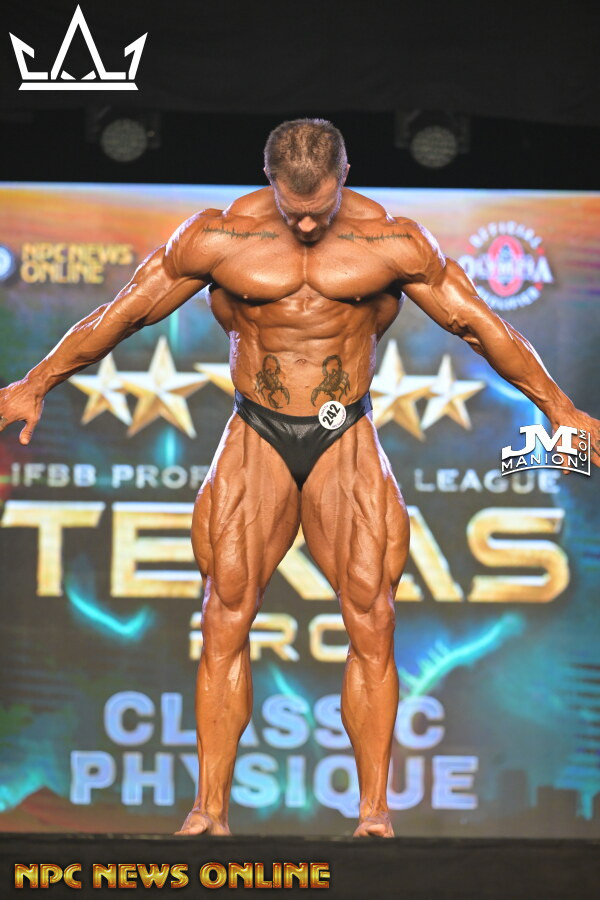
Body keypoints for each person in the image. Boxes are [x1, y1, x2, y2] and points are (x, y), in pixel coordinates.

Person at [0, 119, 598, 838]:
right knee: (224, 611)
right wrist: (36, 382)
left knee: (372, 614)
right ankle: (209, 811)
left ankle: (374, 815)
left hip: (344, 430)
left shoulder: (393, 242)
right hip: (257, 427)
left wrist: (560, 408)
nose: (307, 224)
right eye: (293, 210)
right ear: (271, 183)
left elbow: (479, 325)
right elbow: (124, 313)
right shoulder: (219, 237)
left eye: (318, 209)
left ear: (344, 177)